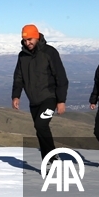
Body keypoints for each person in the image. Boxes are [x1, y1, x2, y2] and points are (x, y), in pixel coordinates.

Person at [12, 24, 69, 165]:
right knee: (39, 129)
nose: (27, 43)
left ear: (37, 37)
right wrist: (16, 95)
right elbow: (18, 77)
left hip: (50, 97)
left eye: (30, 39)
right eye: (25, 40)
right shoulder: (22, 56)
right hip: (34, 100)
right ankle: (48, 161)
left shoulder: (49, 52)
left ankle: (53, 156)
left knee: (41, 125)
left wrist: (61, 100)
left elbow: (61, 77)